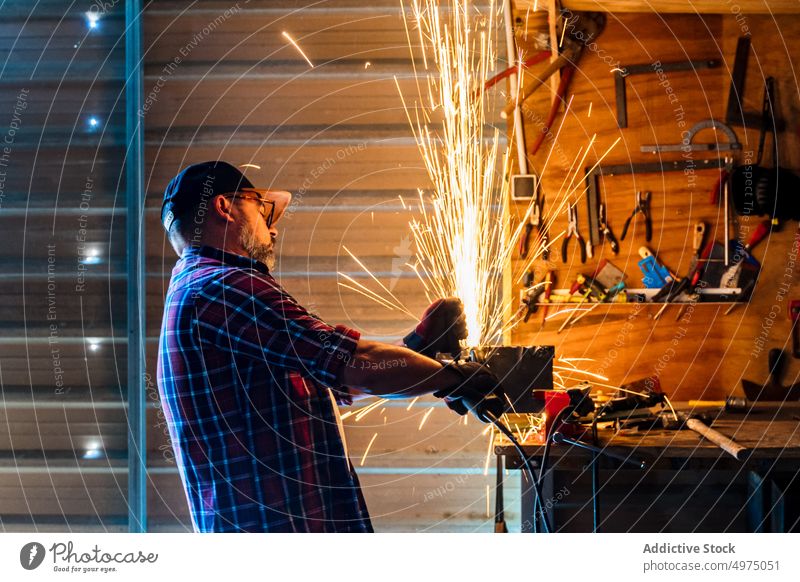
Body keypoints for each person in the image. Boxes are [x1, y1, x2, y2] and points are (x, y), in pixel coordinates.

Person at [156, 161, 502, 532]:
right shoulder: (224, 290)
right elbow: (361, 366)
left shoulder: (199, 290)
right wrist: (456, 377)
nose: (272, 228)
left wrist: (418, 350)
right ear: (225, 207)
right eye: (262, 209)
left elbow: (327, 383)